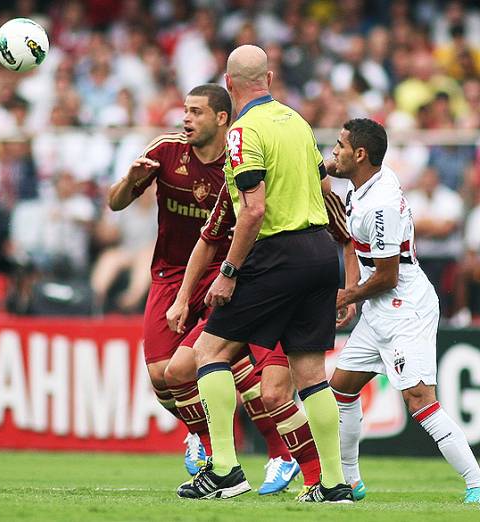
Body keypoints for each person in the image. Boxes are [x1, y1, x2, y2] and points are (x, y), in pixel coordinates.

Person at [107, 83, 312, 495]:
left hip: (225, 271)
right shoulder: (165, 150)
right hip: (170, 273)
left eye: (196, 112)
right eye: (185, 110)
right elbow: (115, 204)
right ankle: (205, 438)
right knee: (161, 377)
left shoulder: (240, 158)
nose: (186, 119)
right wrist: (131, 180)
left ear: (221, 118)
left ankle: (263, 455)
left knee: (221, 366)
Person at [176, 45, 352, 503]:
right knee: (311, 374)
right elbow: (322, 183)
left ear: (229, 84)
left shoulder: (242, 132)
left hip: (278, 252)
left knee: (209, 353)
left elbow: (253, 211)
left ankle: (225, 472)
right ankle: (334, 484)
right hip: (318, 254)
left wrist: (229, 271)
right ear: (269, 78)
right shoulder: (297, 122)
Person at [327, 118, 480, 504]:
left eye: (340, 145)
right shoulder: (366, 182)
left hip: (403, 307)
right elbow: (353, 248)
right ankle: (350, 480)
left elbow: (388, 276)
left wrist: (347, 298)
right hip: (379, 309)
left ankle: (476, 479)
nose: (334, 151)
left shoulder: (379, 205)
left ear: (360, 155)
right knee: (341, 389)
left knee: (418, 398)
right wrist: (353, 292)